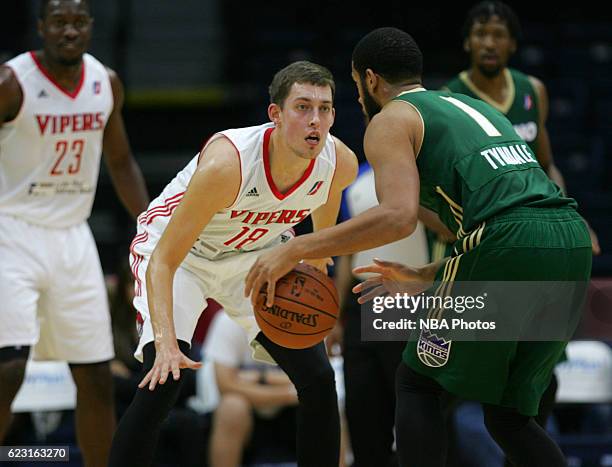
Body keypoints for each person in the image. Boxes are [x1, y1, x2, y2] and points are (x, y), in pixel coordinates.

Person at [245, 27, 592, 467]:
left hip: (510, 238)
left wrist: (294, 248)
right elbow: (507, 204)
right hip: (570, 239)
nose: (356, 98)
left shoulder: (391, 118)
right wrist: (430, 274)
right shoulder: (471, 105)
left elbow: (397, 216)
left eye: (354, 86)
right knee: (508, 415)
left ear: (370, 80)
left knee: (417, 383)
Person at [108, 60, 358, 467]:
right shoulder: (229, 164)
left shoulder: (339, 162)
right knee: (164, 380)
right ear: (275, 114)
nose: (316, 120)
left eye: (325, 109)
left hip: (252, 257)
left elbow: (327, 193)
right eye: (303, 107)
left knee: (318, 377)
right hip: (181, 255)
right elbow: (164, 259)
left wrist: (315, 250)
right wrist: (167, 342)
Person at [0, 1, 149, 466]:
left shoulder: (106, 82)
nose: (70, 30)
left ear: (90, 27)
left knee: (96, 376)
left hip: (73, 235)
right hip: (12, 230)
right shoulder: (11, 83)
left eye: (79, 21)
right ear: (41, 26)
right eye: (59, 21)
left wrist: (151, 224)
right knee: (9, 369)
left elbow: (121, 162)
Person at [438, 0, 600, 259]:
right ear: (468, 42)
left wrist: (571, 218)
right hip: (475, 239)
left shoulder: (533, 90)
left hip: (528, 232)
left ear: (512, 44)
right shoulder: (449, 100)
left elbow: (546, 167)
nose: (489, 44)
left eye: (499, 35)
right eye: (480, 34)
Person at [327, 161, 430, 467]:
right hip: (364, 303)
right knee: (364, 416)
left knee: (417, 419)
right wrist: (334, 317)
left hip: (415, 303)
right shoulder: (355, 179)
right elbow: (347, 250)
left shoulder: (428, 172)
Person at [205, 311, 298, 467]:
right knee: (232, 406)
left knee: (325, 405)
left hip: (292, 413)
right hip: (248, 414)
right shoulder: (228, 320)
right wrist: (288, 393)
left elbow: (321, 378)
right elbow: (226, 385)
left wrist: (260, 378)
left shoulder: (305, 318)